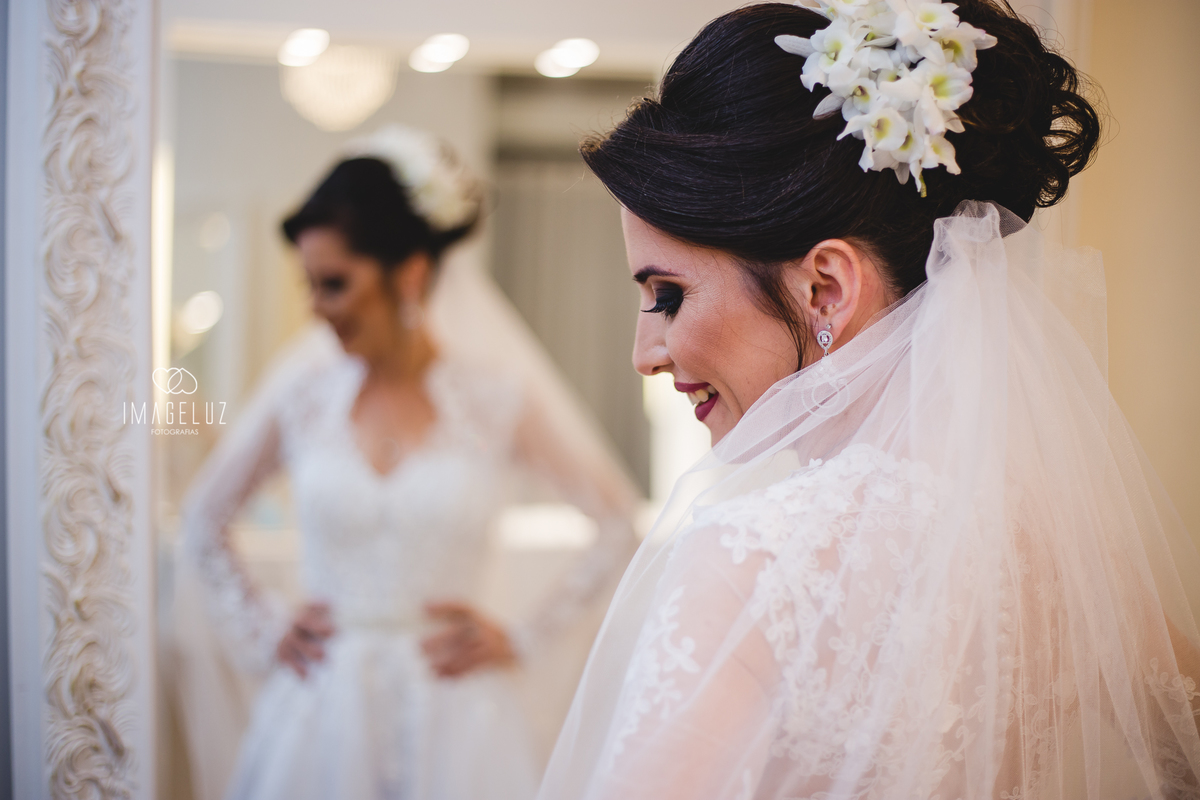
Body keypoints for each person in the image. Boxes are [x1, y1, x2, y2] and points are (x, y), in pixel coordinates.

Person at [537, 3, 1200, 799]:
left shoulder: (749, 562)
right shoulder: (1057, 548)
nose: (646, 354)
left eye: (669, 295)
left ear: (826, 288)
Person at [180, 126, 639, 800]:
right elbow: (203, 517)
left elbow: (616, 522)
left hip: (458, 716)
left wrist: (522, 636)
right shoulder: (304, 397)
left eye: (334, 283)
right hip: (321, 715)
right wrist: (266, 626)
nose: (317, 310)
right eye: (309, 285)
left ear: (411, 273)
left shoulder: (490, 399)